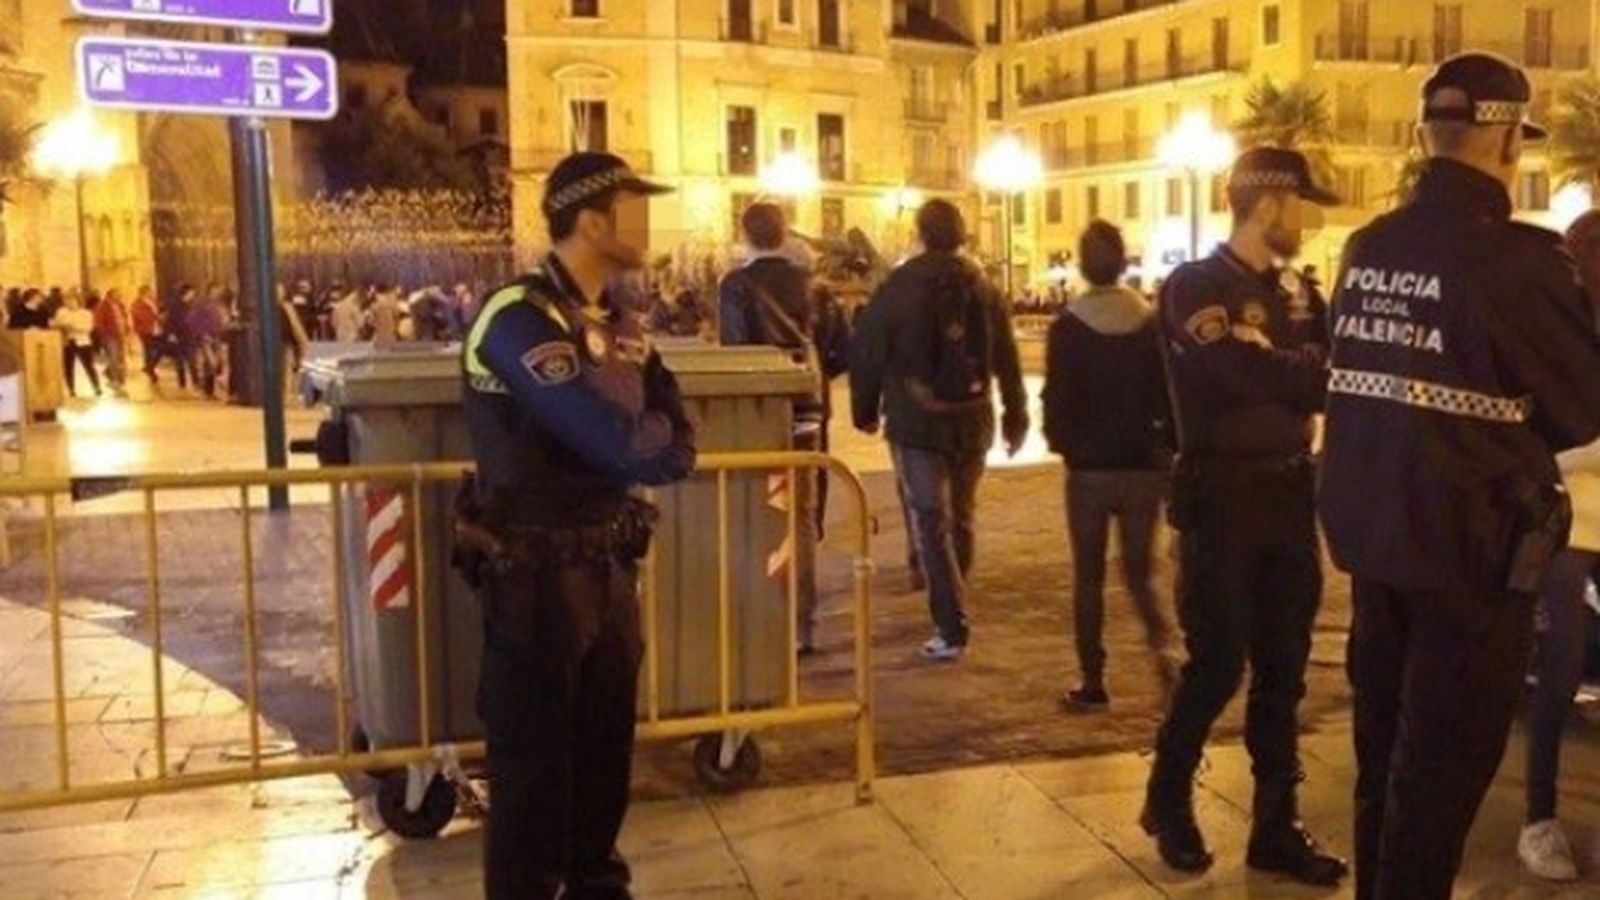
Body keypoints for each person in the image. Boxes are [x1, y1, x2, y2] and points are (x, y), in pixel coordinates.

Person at [1319, 53, 1600, 900]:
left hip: (1375, 552)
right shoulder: (1520, 261)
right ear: (1506, 135)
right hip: (1470, 564)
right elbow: (1582, 409)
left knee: (1383, 769)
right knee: (1438, 784)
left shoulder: (1369, 246)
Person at [455, 151, 694, 900]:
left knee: (602, 759)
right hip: (535, 579)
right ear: (593, 220)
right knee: (531, 777)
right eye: (635, 204)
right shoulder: (516, 316)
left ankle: (597, 885)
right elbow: (614, 439)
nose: (650, 220)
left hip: (609, 567)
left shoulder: (622, 325)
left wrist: (646, 436)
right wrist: (643, 435)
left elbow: (680, 437)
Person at [1140, 146, 1346, 886]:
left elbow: (1330, 377)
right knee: (1219, 658)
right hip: (1221, 496)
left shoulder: (1298, 293)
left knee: (1285, 666)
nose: (1309, 220)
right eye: (1302, 205)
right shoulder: (1195, 285)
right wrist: (1287, 370)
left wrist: (1282, 367)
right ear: (1267, 203)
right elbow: (1229, 373)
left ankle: (1275, 826)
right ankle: (1169, 799)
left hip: (1290, 492)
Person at [850, 199, 1028, 661]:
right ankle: (955, 605)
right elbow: (1006, 355)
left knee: (931, 522)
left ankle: (950, 623)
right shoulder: (984, 287)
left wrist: (864, 410)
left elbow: (868, 350)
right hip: (972, 420)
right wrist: (1015, 414)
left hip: (917, 422)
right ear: (963, 235)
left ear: (920, 234)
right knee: (962, 516)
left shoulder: (898, 287)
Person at [1042, 220, 1178, 710]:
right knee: (1143, 574)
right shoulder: (1150, 323)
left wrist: (1067, 445)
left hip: (1089, 472)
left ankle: (1092, 678)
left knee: (1088, 577)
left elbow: (1056, 402)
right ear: (1124, 263)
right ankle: (1166, 652)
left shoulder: (1068, 327)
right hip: (1143, 467)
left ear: (1081, 264)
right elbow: (1169, 396)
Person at [1516, 208, 1600, 881]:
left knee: (1564, 668)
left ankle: (1543, 818)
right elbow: (1538, 433)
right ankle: (1538, 817)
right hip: (1566, 519)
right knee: (1561, 666)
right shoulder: (1553, 336)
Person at [718, 202, 832, 653]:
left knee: (757, 510)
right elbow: (836, 347)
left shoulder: (735, 285)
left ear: (745, 235)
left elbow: (733, 351)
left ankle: (762, 613)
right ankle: (803, 623)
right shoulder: (812, 286)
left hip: (759, 409)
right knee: (801, 515)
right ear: (784, 233)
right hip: (805, 407)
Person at [52, 290, 100, 399]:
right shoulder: (61, 312)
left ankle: (96, 387)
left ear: (78, 301)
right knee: (68, 367)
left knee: (89, 366)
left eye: (71, 300)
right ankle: (71, 389)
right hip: (67, 342)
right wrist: (62, 325)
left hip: (83, 341)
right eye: (66, 300)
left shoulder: (86, 313)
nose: (69, 303)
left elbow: (88, 328)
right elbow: (56, 323)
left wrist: (73, 327)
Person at [94, 287, 131, 394]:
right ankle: (115, 381)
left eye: (120, 295)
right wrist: (104, 334)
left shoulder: (120, 305)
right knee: (113, 358)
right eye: (117, 294)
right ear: (110, 295)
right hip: (110, 336)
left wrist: (127, 328)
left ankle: (115, 377)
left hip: (120, 335)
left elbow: (124, 317)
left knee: (120, 359)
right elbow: (99, 322)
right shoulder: (102, 306)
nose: (119, 296)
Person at [130, 286, 161, 381]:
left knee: (153, 350)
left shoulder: (152, 302)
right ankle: (150, 370)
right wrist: (153, 316)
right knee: (149, 349)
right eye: (149, 292)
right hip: (144, 330)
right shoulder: (137, 303)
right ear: (143, 293)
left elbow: (157, 313)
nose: (151, 293)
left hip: (154, 329)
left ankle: (149, 367)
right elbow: (140, 316)